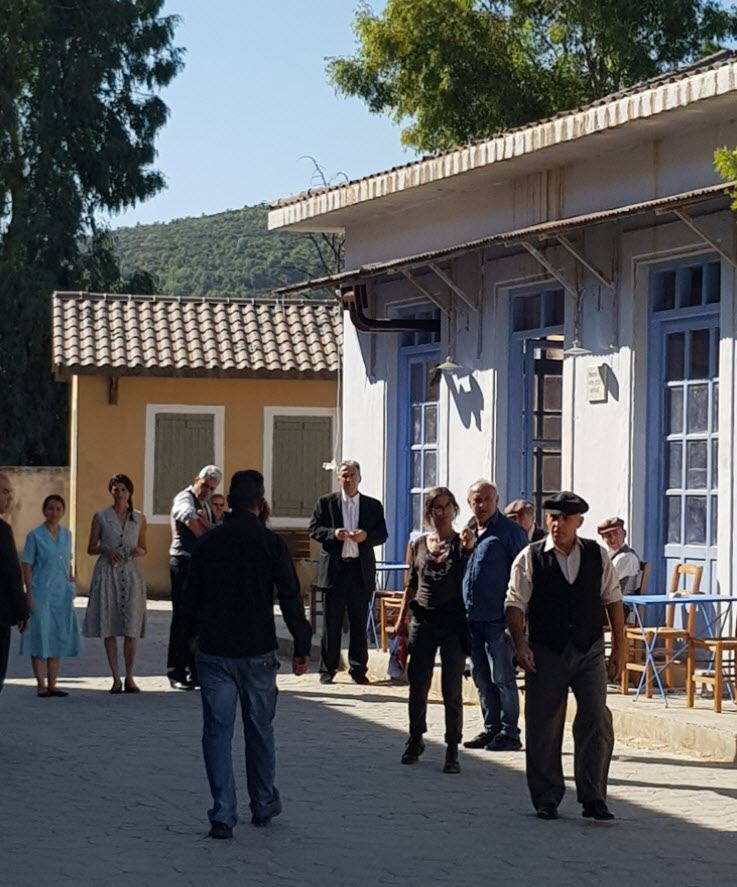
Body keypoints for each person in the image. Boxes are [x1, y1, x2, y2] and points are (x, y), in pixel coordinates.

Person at [183, 470, 311, 839]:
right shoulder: (271, 544)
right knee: (260, 730)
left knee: (217, 732)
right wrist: (301, 645)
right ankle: (263, 801)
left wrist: (188, 640)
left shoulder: (208, 542)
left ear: (229, 501)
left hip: (215, 649)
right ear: (261, 502)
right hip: (258, 649)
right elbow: (290, 597)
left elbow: (190, 598)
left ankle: (223, 812)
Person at [505, 491, 625, 822]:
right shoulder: (530, 557)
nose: (558, 524)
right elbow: (515, 603)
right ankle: (547, 797)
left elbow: (613, 600)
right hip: (546, 650)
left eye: (565, 519)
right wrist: (520, 644)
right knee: (543, 723)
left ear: (578, 522)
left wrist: (619, 646)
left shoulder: (596, 555)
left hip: (589, 648)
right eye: (552, 518)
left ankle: (594, 796)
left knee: (596, 717)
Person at [396, 487, 475, 774]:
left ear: (455, 510)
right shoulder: (419, 544)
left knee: (451, 688)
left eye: (446, 506)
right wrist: (401, 619)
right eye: (436, 508)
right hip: (423, 620)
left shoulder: (461, 543)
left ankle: (452, 748)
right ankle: (415, 738)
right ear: (429, 512)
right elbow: (412, 584)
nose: (442, 512)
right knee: (418, 684)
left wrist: (468, 547)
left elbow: (468, 562)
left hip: (453, 622)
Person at [462, 481, 528, 752]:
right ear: (469, 503)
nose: (482, 505)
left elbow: (524, 576)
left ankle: (509, 732)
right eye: (476, 500)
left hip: (499, 619)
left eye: (487, 499)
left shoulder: (511, 532)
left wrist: (519, 622)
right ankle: (491, 728)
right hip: (472, 617)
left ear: (497, 500)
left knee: (502, 677)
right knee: (480, 676)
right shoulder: (469, 531)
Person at [309, 460, 388, 685]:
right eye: (344, 475)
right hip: (335, 570)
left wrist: (366, 537)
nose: (349, 479)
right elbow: (314, 529)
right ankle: (328, 669)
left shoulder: (372, 505)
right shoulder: (326, 503)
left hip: (359, 571)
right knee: (331, 623)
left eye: (352, 475)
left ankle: (358, 670)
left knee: (359, 622)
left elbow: (382, 534)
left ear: (359, 478)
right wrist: (334, 534)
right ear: (338, 479)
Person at [83, 474, 148, 694]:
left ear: (129, 493)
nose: (119, 494)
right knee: (109, 624)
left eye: (123, 490)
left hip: (130, 573)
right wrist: (105, 549)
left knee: (130, 627)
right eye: (115, 489)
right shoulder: (101, 517)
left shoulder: (139, 519)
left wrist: (136, 551)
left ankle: (129, 675)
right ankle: (115, 677)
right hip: (108, 573)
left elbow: (144, 547)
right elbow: (91, 547)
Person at [20, 495, 82, 697]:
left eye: (58, 509)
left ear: (63, 512)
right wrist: (28, 594)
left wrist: (72, 583)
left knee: (57, 634)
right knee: (40, 635)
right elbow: (27, 565)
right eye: (50, 508)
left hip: (61, 592)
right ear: (44, 511)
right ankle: (41, 684)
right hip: (41, 591)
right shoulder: (35, 536)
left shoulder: (67, 535)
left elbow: (68, 561)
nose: (54, 513)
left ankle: (53, 683)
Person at [167, 465, 222, 690]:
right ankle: (176, 671)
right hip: (183, 563)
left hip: (198, 565)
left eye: (211, 488)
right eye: (205, 485)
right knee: (182, 618)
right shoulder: (185, 497)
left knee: (197, 620)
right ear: (196, 479)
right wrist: (205, 539)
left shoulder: (205, 505)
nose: (206, 491)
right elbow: (189, 518)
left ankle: (195, 670)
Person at [0, 472, 29, 693]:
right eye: (5, 492)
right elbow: (12, 573)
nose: (10, 498)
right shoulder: (2, 531)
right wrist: (22, 611)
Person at [597, 516, 641, 595]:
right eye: (608, 535)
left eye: (616, 534)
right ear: (603, 538)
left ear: (624, 534)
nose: (612, 539)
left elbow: (606, 583)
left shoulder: (626, 557)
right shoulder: (608, 555)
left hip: (620, 601)